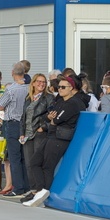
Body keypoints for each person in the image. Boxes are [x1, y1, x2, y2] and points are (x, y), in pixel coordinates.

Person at [26, 74, 82, 207]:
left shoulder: (73, 103)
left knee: (48, 166)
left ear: (71, 88)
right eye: (59, 87)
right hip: (51, 135)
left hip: (60, 137)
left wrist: (52, 119)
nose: (60, 89)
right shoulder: (60, 100)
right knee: (34, 162)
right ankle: (40, 191)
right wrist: (51, 119)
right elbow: (47, 116)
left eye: (63, 87)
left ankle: (44, 194)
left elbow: (56, 119)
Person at [0, 62, 31, 196]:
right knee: (24, 156)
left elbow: (0, 105)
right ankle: (27, 185)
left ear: (13, 73)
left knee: (14, 157)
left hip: (13, 123)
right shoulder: (29, 88)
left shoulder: (11, 89)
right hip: (25, 124)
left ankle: (17, 187)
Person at [20, 73, 52, 197]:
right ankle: (33, 188)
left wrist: (42, 128)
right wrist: (21, 133)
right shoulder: (28, 98)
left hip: (39, 133)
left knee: (37, 163)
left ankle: (40, 189)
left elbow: (51, 116)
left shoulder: (48, 98)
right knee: (28, 163)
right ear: (33, 83)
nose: (41, 84)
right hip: (27, 134)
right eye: (38, 81)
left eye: (43, 82)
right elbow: (23, 117)